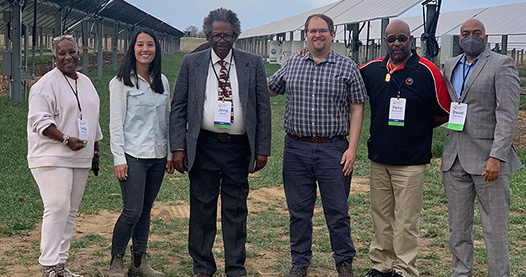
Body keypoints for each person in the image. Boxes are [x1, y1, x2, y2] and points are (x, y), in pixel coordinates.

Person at [169, 8, 271, 277]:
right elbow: (178, 107)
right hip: (204, 146)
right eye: (216, 35)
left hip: (239, 148)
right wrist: (178, 147)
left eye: (227, 34)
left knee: (236, 210)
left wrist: (262, 148)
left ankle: (235, 267)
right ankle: (202, 266)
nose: (222, 39)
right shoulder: (192, 63)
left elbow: (263, 109)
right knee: (202, 209)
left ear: (235, 35)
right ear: (209, 36)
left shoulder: (253, 63)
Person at [268, 14, 367, 277]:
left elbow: (358, 109)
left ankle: (344, 262)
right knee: (299, 211)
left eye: (322, 31)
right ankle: (300, 262)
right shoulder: (292, 64)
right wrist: (242, 79)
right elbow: (269, 89)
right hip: (296, 149)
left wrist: (352, 149)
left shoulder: (348, 68)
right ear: (306, 35)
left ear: (333, 34)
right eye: (312, 31)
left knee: (337, 211)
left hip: (333, 150)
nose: (317, 35)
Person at [359, 19, 450, 277]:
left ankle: (405, 269)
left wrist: (418, 129)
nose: (397, 43)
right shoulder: (372, 70)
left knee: (406, 220)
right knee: (381, 216)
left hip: (411, 162)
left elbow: (444, 112)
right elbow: (343, 73)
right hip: (379, 158)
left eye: (402, 38)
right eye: (391, 39)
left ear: (411, 40)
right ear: (384, 42)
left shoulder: (428, 71)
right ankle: (382, 265)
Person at [441, 18, 522, 276]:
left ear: (486, 38)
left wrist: (497, 156)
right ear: (459, 37)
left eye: (476, 33)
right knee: (458, 228)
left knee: (495, 228)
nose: (470, 37)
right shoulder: (450, 65)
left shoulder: (502, 64)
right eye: (465, 33)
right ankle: (460, 272)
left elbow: (507, 114)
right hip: (454, 159)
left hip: (488, 161)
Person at [27, 34, 102, 277]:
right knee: (57, 206)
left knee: (70, 210)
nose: (68, 57)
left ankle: (60, 265)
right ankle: (48, 266)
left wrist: (95, 150)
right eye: (62, 53)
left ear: (79, 53)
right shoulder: (44, 86)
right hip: (51, 155)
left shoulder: (86, 82)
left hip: (80, 156)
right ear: (54, 57)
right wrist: (65, 139)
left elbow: (92, 118)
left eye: (72, 52)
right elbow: (39, 121)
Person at [108, 28, 173, 277]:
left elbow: (165, 121)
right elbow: (116, 123)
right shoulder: (120, 83)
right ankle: (117, 260)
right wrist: (119, 159)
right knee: (132, 210)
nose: (145, 49)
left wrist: (168, 154)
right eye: (140, 45)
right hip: (133, 156)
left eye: (150, 45)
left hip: (156, 157)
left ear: (156, 49)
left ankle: (139, 262)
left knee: (146, 209)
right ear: (132, 49)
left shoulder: (162, 81)